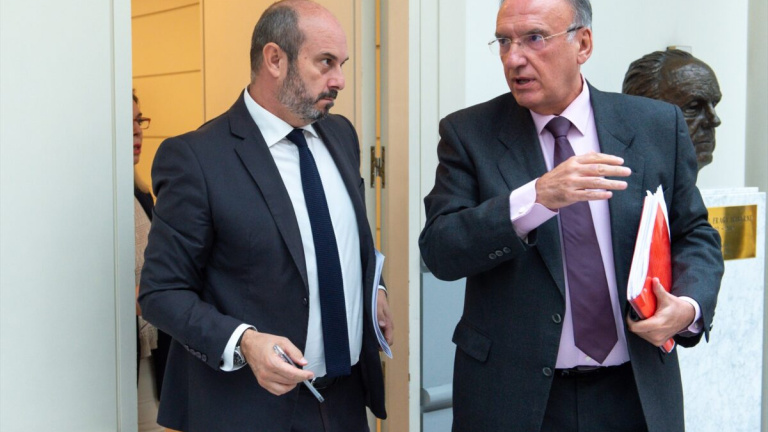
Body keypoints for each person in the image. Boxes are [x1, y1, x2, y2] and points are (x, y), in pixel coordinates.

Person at [419, 0, 723, 431]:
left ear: (583, 44)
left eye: (534, 38)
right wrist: (534, 199)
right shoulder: (469, 134)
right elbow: (440, 249)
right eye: (504, 41)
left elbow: (694, 232)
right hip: (513, 399)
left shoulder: (655, 125)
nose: (514, 58)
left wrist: (688, 307)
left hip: (635, 394)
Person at [138, 1, 393, 431]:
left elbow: (342, 241)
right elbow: (161, 292)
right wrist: (244, 342)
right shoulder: (197, 158)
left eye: (342, 64)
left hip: (346, 399)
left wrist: (374, 287)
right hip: (249, 409)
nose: (340, 80)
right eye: (326, 62)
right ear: (275, 59)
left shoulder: (341, 135)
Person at [132, 92, 171, 432]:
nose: (136, 131)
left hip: (151, 350)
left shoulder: (143, 193)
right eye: (126, 122)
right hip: (109, 355)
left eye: (138, 120)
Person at [623, 49, 722, 171]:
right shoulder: (609, 180)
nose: (714, 120)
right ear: (642, 115)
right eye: (693, 107)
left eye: (714, 104)